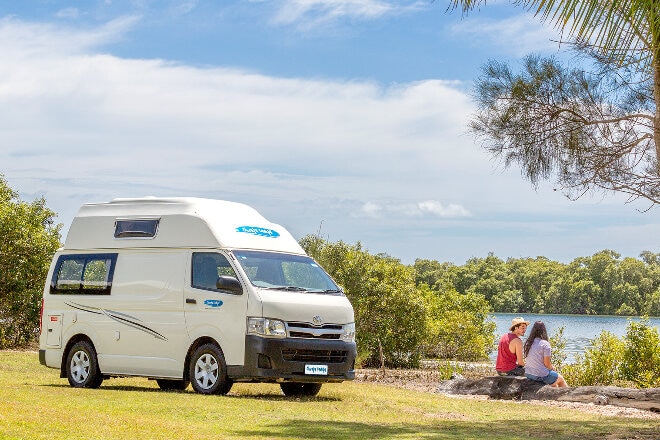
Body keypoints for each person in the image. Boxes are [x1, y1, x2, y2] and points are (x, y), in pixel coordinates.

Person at [523, 321, 569, 387]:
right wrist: (553, 368)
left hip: (528, 374)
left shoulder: (528, 343)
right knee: (560, 379)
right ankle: (567, 395)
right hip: (539, 375)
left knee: (554, 382)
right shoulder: (545, 344)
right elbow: (547, 364)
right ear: (544, 331)